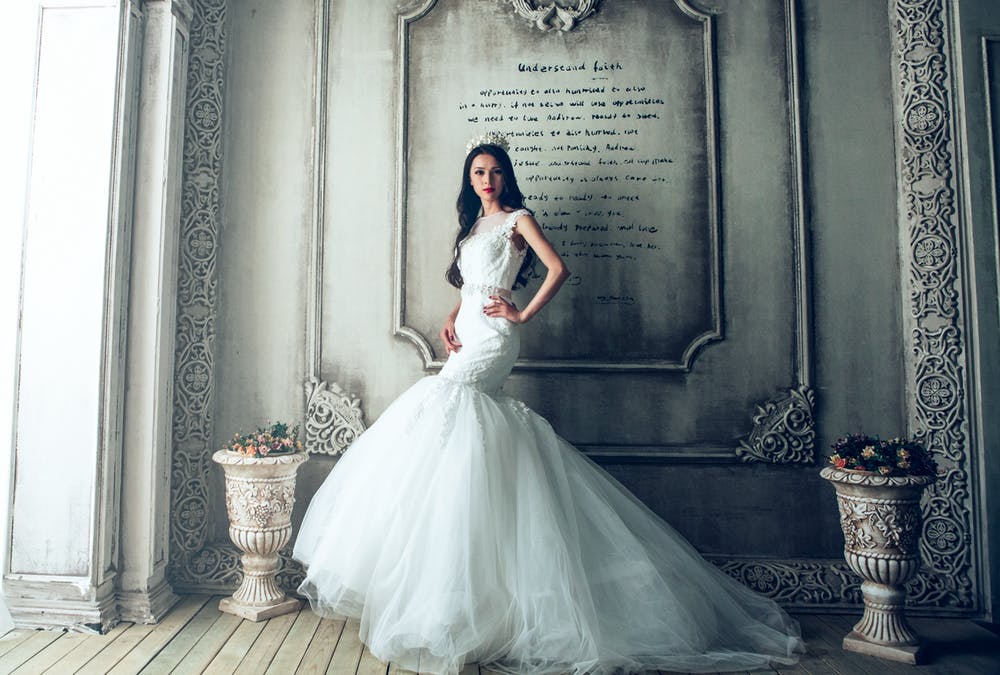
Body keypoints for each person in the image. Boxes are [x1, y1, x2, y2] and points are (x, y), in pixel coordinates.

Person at [293, 133, 805, 674]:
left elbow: (556, 269)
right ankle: (465, 607)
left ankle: (457, 609)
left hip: (492, 336)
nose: (485, 180)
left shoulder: (520, 219)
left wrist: (520, 315)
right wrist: (450, 314)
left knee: (447, 408)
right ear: (469, 181)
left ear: (505, 176)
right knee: (457, 431)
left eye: (493, 172)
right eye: (477, 173)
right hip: (467, 327)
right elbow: (473, 282)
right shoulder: (472, 227)